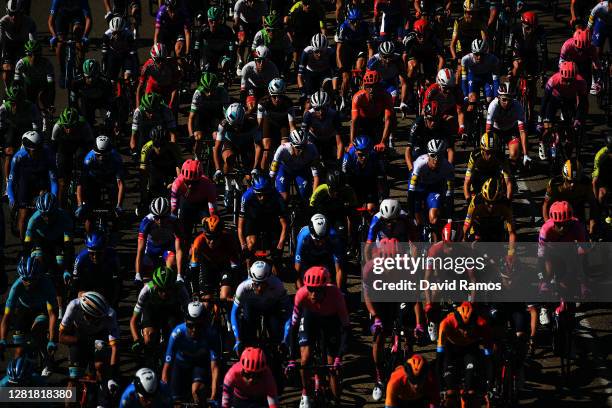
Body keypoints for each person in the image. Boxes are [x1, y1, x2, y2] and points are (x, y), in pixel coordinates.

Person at [284, 266, 349, 407]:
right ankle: (305, 393)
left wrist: (339, 356)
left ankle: (336, 400)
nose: (313, 294)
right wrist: (291, 359)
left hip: (330, 321)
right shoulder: (301, 294)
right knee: (305, 359)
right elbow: (294, 328)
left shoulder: (336, 295)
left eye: (318, 290)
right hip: (310, 317)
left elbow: (345, 328)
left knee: (333, 367)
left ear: (325, 287)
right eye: (310, 289)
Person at [59, 291, 120, 407]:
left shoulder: (110, 313)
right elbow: (61, 337)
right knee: (73, 380)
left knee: (100, 368)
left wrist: (111, 375)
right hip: (78, 338)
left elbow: (114, 347)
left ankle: (102, 400)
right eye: (96, 318)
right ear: (84, 313)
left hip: (99, 338)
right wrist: (85, 343)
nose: (99, 320)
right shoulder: (73, 306)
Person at [0, 255, 58, 375]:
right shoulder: (16, 287)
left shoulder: (46, 284)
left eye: (32, 279)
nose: (28, 283)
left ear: (39, 276)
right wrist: (2, 339)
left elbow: (52, 314)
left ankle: (48, 360)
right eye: (25, 279)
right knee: (18, 354)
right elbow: (7, 316)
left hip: (41, 310)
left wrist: (52, 340)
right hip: (24, 310)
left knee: (38, 332)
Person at [24, 193, 73, 316]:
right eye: (43, 215)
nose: (47, 218)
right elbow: (26, 246)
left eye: (50, 214)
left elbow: (68, 247)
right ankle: (39, 302)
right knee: (37, 266)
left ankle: (61, 310)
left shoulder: (64, 218)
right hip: (40, 241)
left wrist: (66, 269)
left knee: (60, 270)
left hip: (58, 241)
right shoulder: (33, 219)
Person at [436, 302, 493, 407]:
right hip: (451, 350)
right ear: (457, 323)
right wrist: (441, 388)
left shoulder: (482, 324)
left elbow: (489, 360)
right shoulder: (445, 324)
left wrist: (489, 388)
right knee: (450, 394)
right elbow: (439, 359)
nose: (466, 332)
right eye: (463, 328)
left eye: (469, 327)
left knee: (471, 392)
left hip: (470, 350)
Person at [130, 266, 190, 366]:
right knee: (149, 338)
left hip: (172, 311)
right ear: (155, 285)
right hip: (152, 310)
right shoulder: (146, 290)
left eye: (167, 289)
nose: (164, 293)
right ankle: (149, 361)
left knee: (174, 336)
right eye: (161, 290)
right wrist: (136, 340)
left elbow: (188, 316)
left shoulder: (180, 288)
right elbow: (133, 320)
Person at [162, 301, 220, 404]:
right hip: (180, 365)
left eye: (199, 325)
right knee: (176, 403)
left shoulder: (211, 334)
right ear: (185, 321)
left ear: (204, 322)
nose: (194, 329)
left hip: (200, 365)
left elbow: (214, 367)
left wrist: (213, 396)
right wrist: (164, 394)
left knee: (198, 391)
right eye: (190, 325)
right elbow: (167, 367)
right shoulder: (177, 333)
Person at [231, 261, 291, 353]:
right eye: (256, 284)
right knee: (248, 330)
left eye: (263, 284)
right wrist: (238, 340)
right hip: (251, 307)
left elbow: (288, 311)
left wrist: (285, 339)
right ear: (251, 279)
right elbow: (234, 313)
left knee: (276, 332)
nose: (259, 288)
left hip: (270, 307)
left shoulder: (277, 285)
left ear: (269, 278)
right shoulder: (242, 288)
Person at [7, 131, 56, 241]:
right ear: (27, 149)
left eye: (39, 149)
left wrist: (53, 197)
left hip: (42, 180)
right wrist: (12, 198)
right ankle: (24, 244)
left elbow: (53, 180)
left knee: (46, 210)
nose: (38, 152)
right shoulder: (18, 157)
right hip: (25, 181)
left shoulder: (47, 153)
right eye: (35, 150)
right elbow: (11, 181)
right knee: (23, 214)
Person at [75, 136, 125, 235]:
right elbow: (80, 184)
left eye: (104, 155)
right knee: (89, 213)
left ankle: (115, 231)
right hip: (93, 180)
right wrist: (80, 204)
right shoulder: (88, 159)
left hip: (110, 178)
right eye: (98, 155)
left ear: (110, 152)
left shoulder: (116, 158)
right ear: (94, 153)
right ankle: (89, 235)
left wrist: (119, 205)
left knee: (116, 211)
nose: (101, 158)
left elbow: (120, 184)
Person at [407, 139, 454, 238]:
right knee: (417, 223)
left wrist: (449, 217)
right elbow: (411, 193)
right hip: (418, 187)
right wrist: (411, 214)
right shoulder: (420, 164)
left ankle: (435, 243)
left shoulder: (448, 167)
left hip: (433, 187)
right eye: (433, 155)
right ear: (428, 155)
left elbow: (449, 194)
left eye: (440, 156)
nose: (436, 159)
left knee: (434, 220)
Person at [1, 86, 42, 193]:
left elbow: (37, 127)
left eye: (19, 102)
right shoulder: (4, 108)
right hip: (12, 129)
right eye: (13, 103)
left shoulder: (31, 107)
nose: (16, 106)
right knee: (9, 153)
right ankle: (8, 184)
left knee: (30, 151)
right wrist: (2, 145)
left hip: (27, 129)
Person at [238, 175, 288, 262]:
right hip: (253, 218)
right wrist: (243, 246)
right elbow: (240, 226)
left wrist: (280, 245)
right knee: (250, 245)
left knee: (276, 249)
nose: (262, 197)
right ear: (254, 191)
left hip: (270, 218)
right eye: (259, 194)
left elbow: (284, 225)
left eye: (265, 193)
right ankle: (249, 270)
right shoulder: (246, 197)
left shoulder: (277, 197)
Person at [50, 106, 94, 207]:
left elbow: (90, 145)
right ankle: (61, 206)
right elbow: (53, 147)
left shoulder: (84, 124)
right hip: (64, 146)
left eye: (72, 126)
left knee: (81, 158)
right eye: (66, 126)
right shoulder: (57, 126)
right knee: (62, 180)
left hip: (80, 144)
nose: (69, 130)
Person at [189, 215, 241, 299]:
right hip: (206, 266)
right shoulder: (198, 242)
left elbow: (235, 266)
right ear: (204, 234)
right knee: (207, 300)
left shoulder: (229, 239)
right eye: (209, 237)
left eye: (215, 237)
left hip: (224, 266)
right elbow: (194, 269)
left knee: (225, 296)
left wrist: (234, 286)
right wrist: (195, 291)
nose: (212, 241)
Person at [135, 197, 184, 284]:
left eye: (163, 217)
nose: (160, 221)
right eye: (157, 217)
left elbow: (179, 249)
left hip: (167, 248)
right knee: (147, 281)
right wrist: (138, 274)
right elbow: (140, 250)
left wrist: (179, 275)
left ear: (168, 214)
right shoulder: (146, 222)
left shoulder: (175, 221)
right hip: (151, 249)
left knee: (171, 270)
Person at [137, 126, 182, 216]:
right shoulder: (146, 148)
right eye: (156, 145)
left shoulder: (174, 147)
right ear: (152, 143)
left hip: (170, 169)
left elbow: (179, 172)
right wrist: (144, 197)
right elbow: (143, 175)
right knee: (152, 188)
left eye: (163, 145)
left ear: (167, 142)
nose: (160, 148)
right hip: (155, 169)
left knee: (175, 191)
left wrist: (176, 183)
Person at [543, 159, 596, 235]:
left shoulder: (586, 184)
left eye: (576, 182)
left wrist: (592, 225)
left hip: (578, 210)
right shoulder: (554, 184)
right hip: (559, 212)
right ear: (564, 178)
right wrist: (547, 224)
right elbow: (545, 205)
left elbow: (593, 205)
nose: (572, 185)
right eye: (569, 181)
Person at [13, 39, 55, 132]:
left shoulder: (47, 64)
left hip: (42, 85)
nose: (33, 58)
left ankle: (45, 122)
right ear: (26, 55)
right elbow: (16, 84)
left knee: (41, 98)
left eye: (36, 55)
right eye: (30, 55)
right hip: (28, 85)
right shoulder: (21, 63)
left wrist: (51, 103)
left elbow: (51, 86)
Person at [171, 159, 217, 243]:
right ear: (183, 178)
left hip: (202, 204)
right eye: (187, 182)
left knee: (210, 225)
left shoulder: (208, 184)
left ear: (200, 179)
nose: (190, 186)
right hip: (186, 203)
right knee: (183, 232)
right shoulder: (177, 183)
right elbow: (173, 208)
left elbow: (212, 210)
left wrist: (212, 224)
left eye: (195, 183)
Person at [48, 0, 92, 87]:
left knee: (79, 38)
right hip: (62, 16)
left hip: (77, 15)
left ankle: (79, 70)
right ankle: (63, 71)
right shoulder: (56, 1)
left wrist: (85, 36)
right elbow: (50, 21)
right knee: (60, 43)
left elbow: (88, 19)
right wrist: (54, 36)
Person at [70, 231, 120, 307]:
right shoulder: (81, 258)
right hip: (87, 279)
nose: (95, 257)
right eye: (91, 253)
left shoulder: (113, 256)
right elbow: (75, 282)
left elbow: (117, 281)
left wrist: (113, 304)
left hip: (104, 279)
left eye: (99, 253)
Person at [269, 128, 320, 202]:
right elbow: (272, 174)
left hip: (301, 170)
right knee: (284, 197)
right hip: (285, 170)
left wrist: (313, 199)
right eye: (298, 148)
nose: (301, 150)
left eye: (303, 147)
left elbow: (316, 176)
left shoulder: (312, 149)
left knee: (304, 194)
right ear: (291, 144)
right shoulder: (282, 149)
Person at [295, 213, 345, 288]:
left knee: (330, 279)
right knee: (305, 279)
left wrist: (338, 292)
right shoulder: (304, 236)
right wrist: (301, 292)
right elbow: (297, 271)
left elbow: (338, 270)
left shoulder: (333, 236)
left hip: (325, 254)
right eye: (317, 240)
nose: (320, 243)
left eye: (323, 239)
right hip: (308, 254)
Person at [486, 82, 530, 166]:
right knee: (493, 157)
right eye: (504, 99)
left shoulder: (518, 106)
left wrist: (525, 154)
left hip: (510, 131)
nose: (507, 103)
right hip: (495, 130)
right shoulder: (493, 106)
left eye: (510, 100)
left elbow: (522, 131)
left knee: (514, 154)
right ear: (498, 98)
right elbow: (488, 131)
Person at [350, 69, 395, 150]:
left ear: (379, 86)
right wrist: (351, 142)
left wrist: (383, 142)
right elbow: (354, 121)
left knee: (380, 149)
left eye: (374, 86)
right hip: (362, 121)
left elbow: (388, 120)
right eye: (368, 86)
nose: (371, 90)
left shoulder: (386, 96)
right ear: (364, 86)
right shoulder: (358, 97)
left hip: (377, 119)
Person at [257, 78, 296, 170]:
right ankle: (263, 174)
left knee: (285, 149)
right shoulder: (263, 102)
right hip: (269, 123)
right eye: (274, 96)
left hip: (283, 124)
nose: (277, 99)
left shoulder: (288, 103)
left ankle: (284, 172)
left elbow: (292, 126)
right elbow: (259, 124)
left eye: (280, 96)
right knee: (266, 149)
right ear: (270, 94)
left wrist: (295, 139)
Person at [188, 72, 229, 160]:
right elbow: (191, 117)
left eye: (212, 89)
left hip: (216, 116)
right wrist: (191, 136)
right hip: (202, 116)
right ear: (202, 87)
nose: (209, 93)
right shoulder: (198, 93)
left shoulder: (222, 92)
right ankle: (197, 158)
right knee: (198, 137)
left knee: (216, 135)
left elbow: (226, 115)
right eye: (207, 90)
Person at [464, 132, 513, 201]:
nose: (490, 156)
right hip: (478, 176)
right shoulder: (475, 155)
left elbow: (508, 183)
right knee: (473, 177)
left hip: (494, 175)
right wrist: (468, 199)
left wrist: (508, 201)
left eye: (493, 152)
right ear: (482, 149)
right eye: (488, 152)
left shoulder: (501, 157)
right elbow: (467, 181)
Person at [342, 135, 386, 211]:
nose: (364, 157)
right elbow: (344, 179)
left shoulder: (374, 155)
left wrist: (381, 197)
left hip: (369, 179)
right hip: (354, 180)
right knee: (351, 208)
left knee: (371, 208)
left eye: (366, 154)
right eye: (360, 155)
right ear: (355, 151)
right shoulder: (348, 156)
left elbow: (380, 178)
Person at [68, 59, 115, 129]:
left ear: (97, 74)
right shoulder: (76, 81)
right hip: (87, 101)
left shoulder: (105, 81)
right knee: (85, 125)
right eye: (87, 76)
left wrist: (111, 116)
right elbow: (72, 101)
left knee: (109, 122)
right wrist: (76, 114)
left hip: (102, 101)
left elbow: (111, 100)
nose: (89, 80)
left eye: (92, 77)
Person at [0, 0, 36, 86]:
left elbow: (33, 42)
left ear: (22, 13)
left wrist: (31, 55)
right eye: (11, 14)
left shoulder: (30, 22)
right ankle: (8, 91)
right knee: (7, 70)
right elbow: (0, 42)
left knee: (28, 68)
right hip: (9, 44)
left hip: (23, 44)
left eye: (16, 14)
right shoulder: (2, 22)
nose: (13, 17)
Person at [302, 90, 343, 165]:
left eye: (323, 108)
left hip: (329, 139)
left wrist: (338, 162)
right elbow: (303, 139)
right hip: (314, 139)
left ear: (328, 106)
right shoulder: (308, 115)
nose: (321, 112)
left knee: (331, 163)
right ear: (313, 108)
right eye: (317, 109)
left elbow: (339, 143)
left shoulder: (334, 115)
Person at [136, 44, 181, 111]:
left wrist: (171, 105)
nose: (161, 63)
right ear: (153, 59)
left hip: (168, 87)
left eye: (163, 60)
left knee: (171, 110)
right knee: (148, 107)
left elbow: (175, 87)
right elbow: (140, 87)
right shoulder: (147, 66)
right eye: (158, 60)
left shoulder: (172, 64)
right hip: (153, 87)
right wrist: (138, 107)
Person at [559, 27, 600, 94]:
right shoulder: (567, 45)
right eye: (578, 49)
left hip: (585, 63)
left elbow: (596, 63)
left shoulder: (592, 47)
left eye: (583, 49)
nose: (580, 51)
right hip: (571, 64)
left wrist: (598, 79)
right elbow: (561, 62)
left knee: (586, 91)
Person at [461, 38, 500, 108]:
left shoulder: (493, 59)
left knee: (490, 100)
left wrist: (496, 97)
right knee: (472, 100)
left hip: (486, 77)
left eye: (482, 54)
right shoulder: (465, 59)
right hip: (473, 77)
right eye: (476, 54)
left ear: (486, 53)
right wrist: (466, 96)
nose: (479, 57)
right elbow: (464, 79)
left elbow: (496, 80)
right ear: (472, 52)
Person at [297, 33, 337, 99]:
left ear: (326, 49)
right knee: (310, 98)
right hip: (310, 74)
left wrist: (335, 91)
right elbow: (299, 76)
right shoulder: (306, 52)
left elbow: (334, 75)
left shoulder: (331, 52)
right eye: (316, 51)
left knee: (329, 87)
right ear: (312, 49)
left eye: (322, 51)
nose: (319, 54)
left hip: (324, 73)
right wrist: (302, 91)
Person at [240, 45, 279, 112]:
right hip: (251, 87)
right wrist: (242, 105)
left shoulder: (273, 69)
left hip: (265, 89)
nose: (261, 64)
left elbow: (276, 89)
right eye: (259, 61)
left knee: (268, 108)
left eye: (264, 61)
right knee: (252, 107)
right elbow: (243, 90)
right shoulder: (247, 68)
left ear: (268, 61)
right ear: (255, 60)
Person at [153, 0, 191, 65]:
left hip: (178, 31)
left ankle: (182, 69)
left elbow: (187, 33)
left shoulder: (183, 11)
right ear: (167, 8)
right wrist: (155, 48)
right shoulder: (162, 11)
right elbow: (157, 33)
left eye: (174, 10)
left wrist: (187, 52)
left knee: (178, 51)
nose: (173, 14)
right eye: (171, 10)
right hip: (166, 32)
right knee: (164, 53)